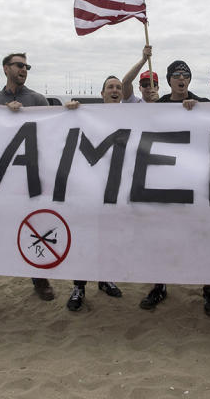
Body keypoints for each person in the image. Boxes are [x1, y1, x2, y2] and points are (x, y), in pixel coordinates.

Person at [0, 53, 55, 315]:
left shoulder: (37, 100)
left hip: (29, 177)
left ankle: (39, 278)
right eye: (19, 65)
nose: (24, 69)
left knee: (33, 226)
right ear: (6, 69)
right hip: (0, 179)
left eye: (27, 66)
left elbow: (52, 131)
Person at [140, 60, 210, 316]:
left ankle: (208, 288)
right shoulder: (159, 104)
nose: (181, 77)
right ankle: (160, 285)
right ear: (169, 80)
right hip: (165, 179)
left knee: (201, 237)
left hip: (196, 181)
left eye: (186, 74)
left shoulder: (202, 102)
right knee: (163, 237)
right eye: (176, 74)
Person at [63, 76, 126, 311]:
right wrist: (70, 110)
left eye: (118, 87)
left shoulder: (132, 115)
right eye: (110, 87)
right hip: (88, 188)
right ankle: (79, 286)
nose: (115, 90)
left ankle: (104, 279)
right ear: (102, 93)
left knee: (108, 238)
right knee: (84, 237)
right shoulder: (88, 114)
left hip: (115, 189)